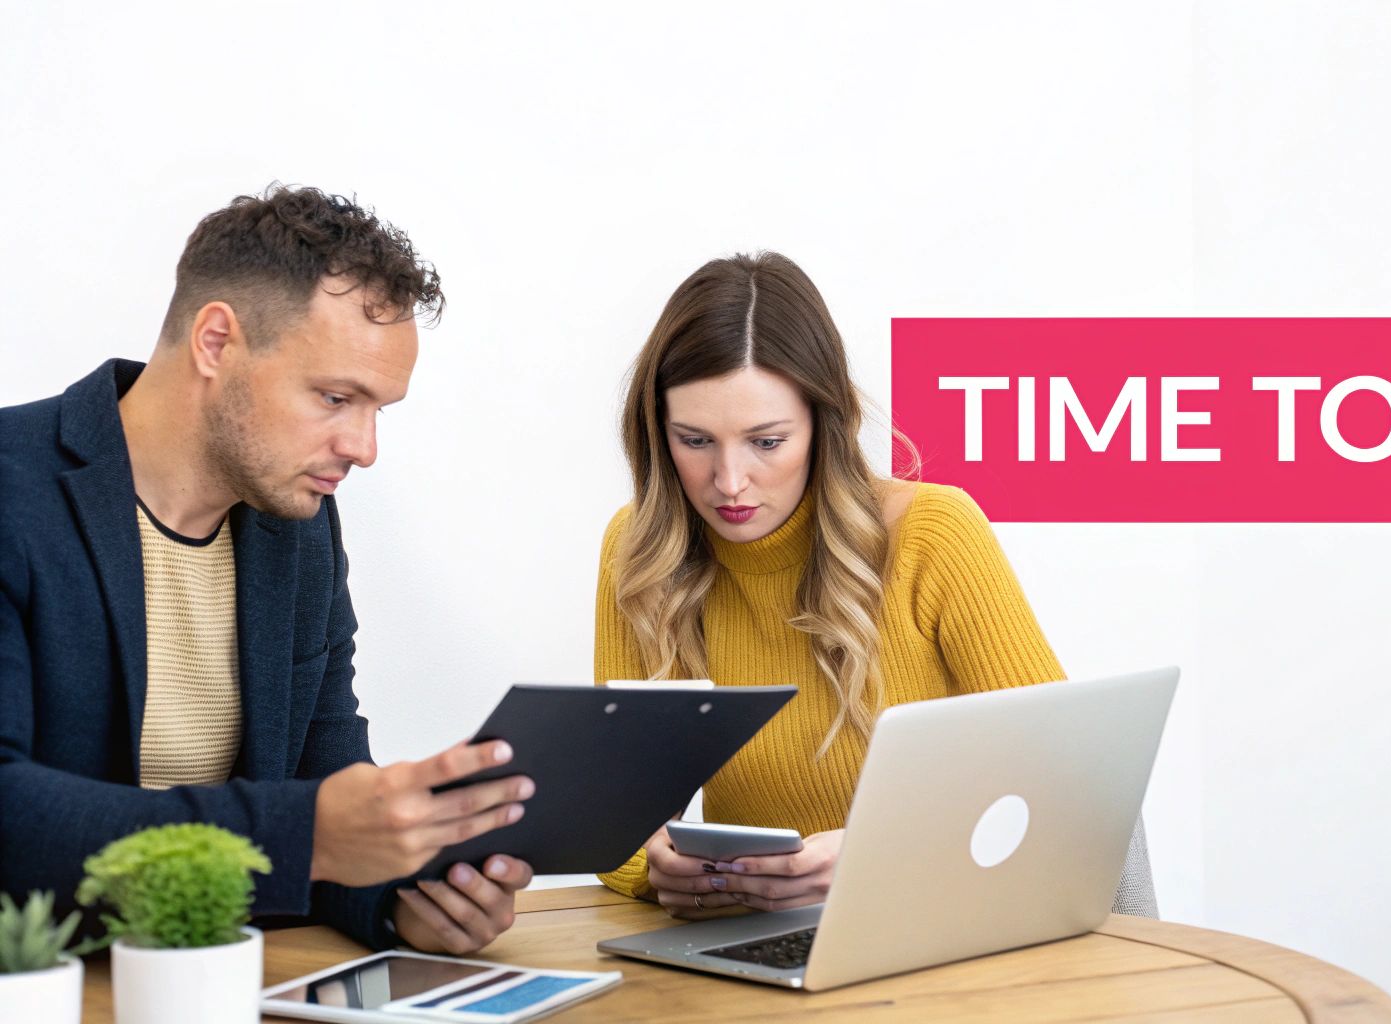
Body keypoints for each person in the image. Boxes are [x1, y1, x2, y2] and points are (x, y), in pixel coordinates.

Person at [0, 186, 534, 952]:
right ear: (216, 341)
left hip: (228, 981)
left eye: (378, 408)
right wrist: (306, 835)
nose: (364, 446)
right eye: (336, 396)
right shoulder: (13, 489)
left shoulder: (297, 529)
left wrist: (399, 895)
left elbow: (325, 773)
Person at [593, 251, 1156, 918]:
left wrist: (875, 855)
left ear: (824, 426)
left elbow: (1068, 785)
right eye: (695, 440)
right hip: (758, 937)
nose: (730, 481)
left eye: (767, 442)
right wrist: (656, 869)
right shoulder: (640, 553)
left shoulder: (934, 534)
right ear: (658, 434)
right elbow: (612, 818)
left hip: (946, 922)